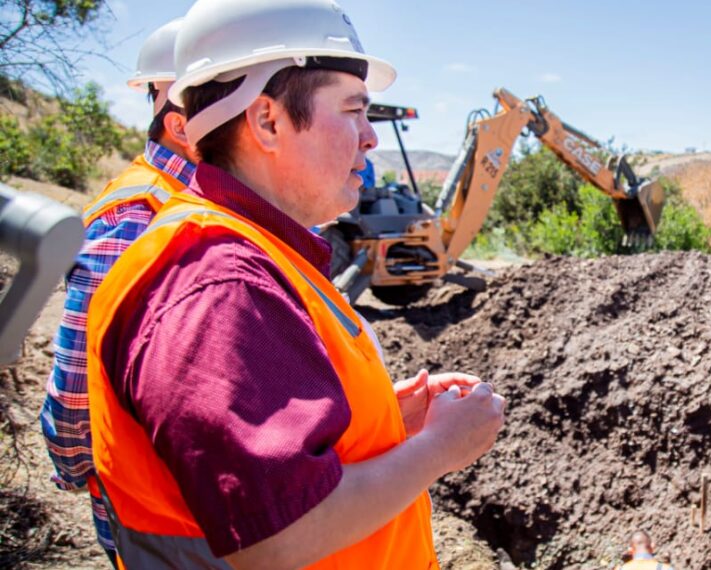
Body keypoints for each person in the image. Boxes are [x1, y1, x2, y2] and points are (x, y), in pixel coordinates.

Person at [84, 0, 505, 568]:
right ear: (268, 121)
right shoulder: (218, 283)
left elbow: (268, 431)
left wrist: (381, 416)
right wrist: (437, 449)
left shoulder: (255, 252)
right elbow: (279, 535)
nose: (370, 139)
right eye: (353, 111)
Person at [38, 17, 196, 565]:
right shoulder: (137, 215)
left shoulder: (195, 200)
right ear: (179, 122)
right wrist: (81, 468)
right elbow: (80, 381)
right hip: (157, 518)